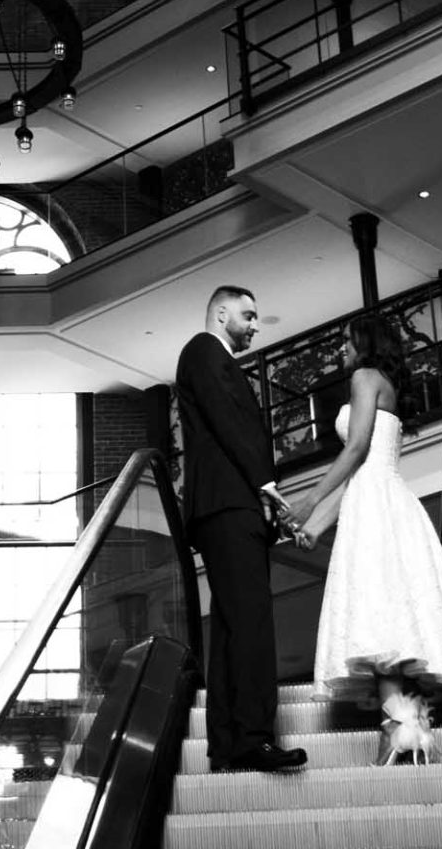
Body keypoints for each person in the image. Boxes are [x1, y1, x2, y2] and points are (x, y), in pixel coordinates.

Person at [295, 313, 442, 759]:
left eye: (346, 340)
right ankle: (405, 726)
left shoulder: (365, 376)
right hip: (385, 500)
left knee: (376, 617)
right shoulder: (385, 382)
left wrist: (307, 502)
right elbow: (360, 470)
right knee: (386, 619)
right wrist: (317, 526)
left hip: (374, 505)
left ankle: (399, 727)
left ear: (366, 342)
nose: (342, 349)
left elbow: (357, 448)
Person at [174, 284, 309, 774]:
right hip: (228, 507)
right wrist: (265, 483)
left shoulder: (212, 357)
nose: (255, 324)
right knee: (250, 623)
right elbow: (230, 421)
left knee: (234, 626)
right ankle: (251, 738)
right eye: (248, 316)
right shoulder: (204, 351)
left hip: (227, 508)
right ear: (221, 312)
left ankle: (230, 744)